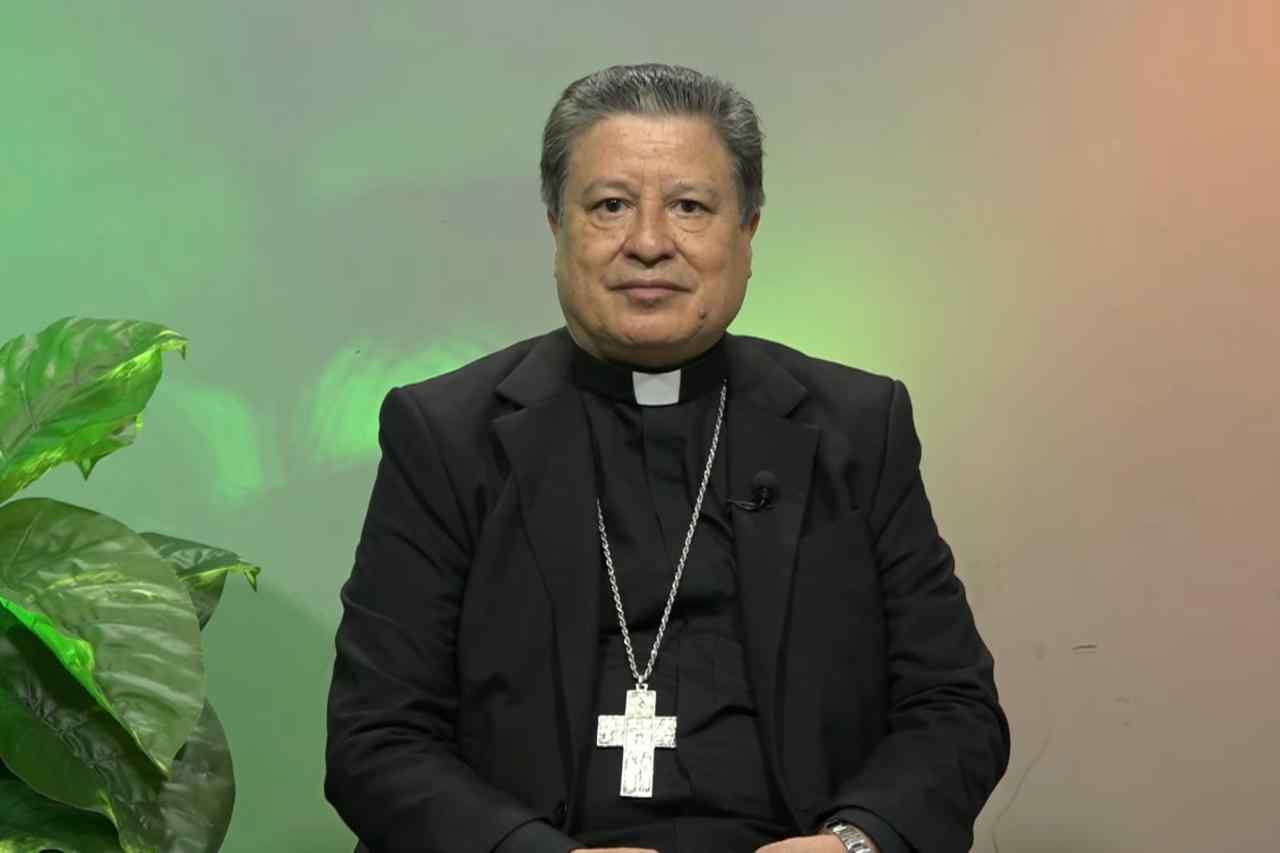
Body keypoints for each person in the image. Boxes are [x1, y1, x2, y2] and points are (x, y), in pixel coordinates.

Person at [325, 63, 1010, 853]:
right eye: (610, 206)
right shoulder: (445, 434)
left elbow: (953, 707)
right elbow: (377, 737)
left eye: (689, 207)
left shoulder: (856, 426)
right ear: (556, 228)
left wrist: (857, 843)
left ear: (747, 232)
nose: (648, 244)